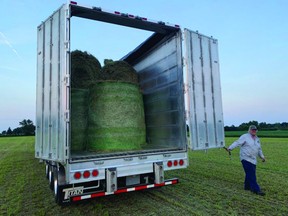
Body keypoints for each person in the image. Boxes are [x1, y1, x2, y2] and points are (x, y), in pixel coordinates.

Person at [226, 125, 266, 196]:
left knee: (250, 173)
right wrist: (230, 148)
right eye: (252, 130)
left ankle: (247, 186)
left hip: (253, 159)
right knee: (251, 174)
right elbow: (237, 142)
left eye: (255, 130)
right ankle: (256, 190)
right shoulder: (245, 136)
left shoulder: (257, 139)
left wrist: (262, 157)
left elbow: (259, 149)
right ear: (249, 130)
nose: (254, 131)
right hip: (245, 158)